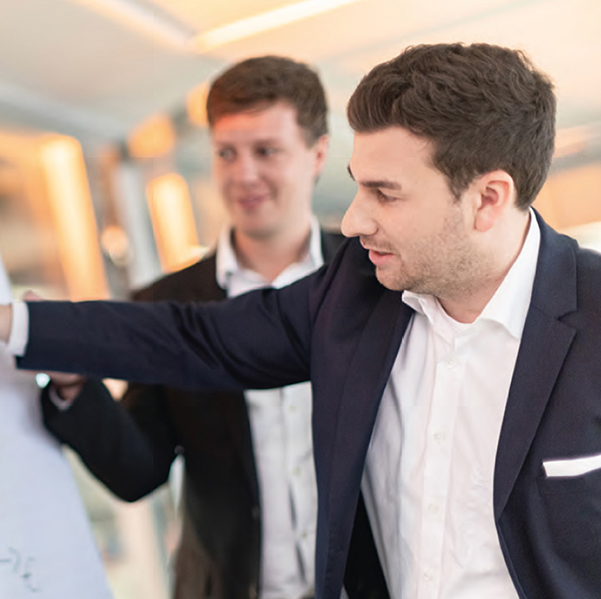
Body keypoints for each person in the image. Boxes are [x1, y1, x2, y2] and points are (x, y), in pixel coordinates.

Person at [0, 42, 601, 599]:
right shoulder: (355, 291)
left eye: (385, 193)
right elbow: (193, 336)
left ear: (488, 199)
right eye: (356, 186)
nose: (353, 219)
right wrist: (1, 319)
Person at [35, 56, 381, 599]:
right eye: (226, 153)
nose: (243, 175)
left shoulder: (374, 279)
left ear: (317, 154)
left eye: (266, 151)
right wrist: (73, 383)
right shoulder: (168, 304)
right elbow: (137, 472)